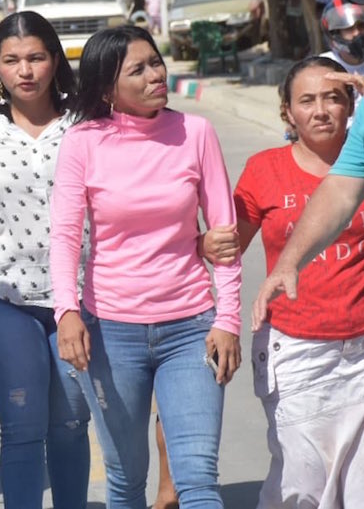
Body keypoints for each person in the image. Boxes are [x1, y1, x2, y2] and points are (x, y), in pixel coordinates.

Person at [52, 26, 242, 508]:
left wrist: (228, 320)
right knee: (125, 477)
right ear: (106, 88)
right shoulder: (82, 142)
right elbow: (66, 237)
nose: (156, 74)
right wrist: (66, 311)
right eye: (137, 70)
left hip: (191, 327)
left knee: (197, 478)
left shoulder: (195, 132)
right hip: (112, 333)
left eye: (155, 62)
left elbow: (224, 239)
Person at [0, 11, 90, 509]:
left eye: (35, 57)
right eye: (12, 60)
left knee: (74, 423)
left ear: (55, 60)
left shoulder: (87, 123)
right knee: (23, 427)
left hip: (79, 301)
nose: (25, 71)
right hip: (3, 299)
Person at [237, 56, 364, 508]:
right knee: (299, 487)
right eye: (307, 100)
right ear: (287, 112)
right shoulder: (263, 169)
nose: (321, 111)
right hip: (295, 347)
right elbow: (225, 250)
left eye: (334, 98)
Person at [318, 0, 364, 104]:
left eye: (361, 26)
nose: (357, 33)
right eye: (349, 29)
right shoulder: (323, 65)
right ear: (335, 34)